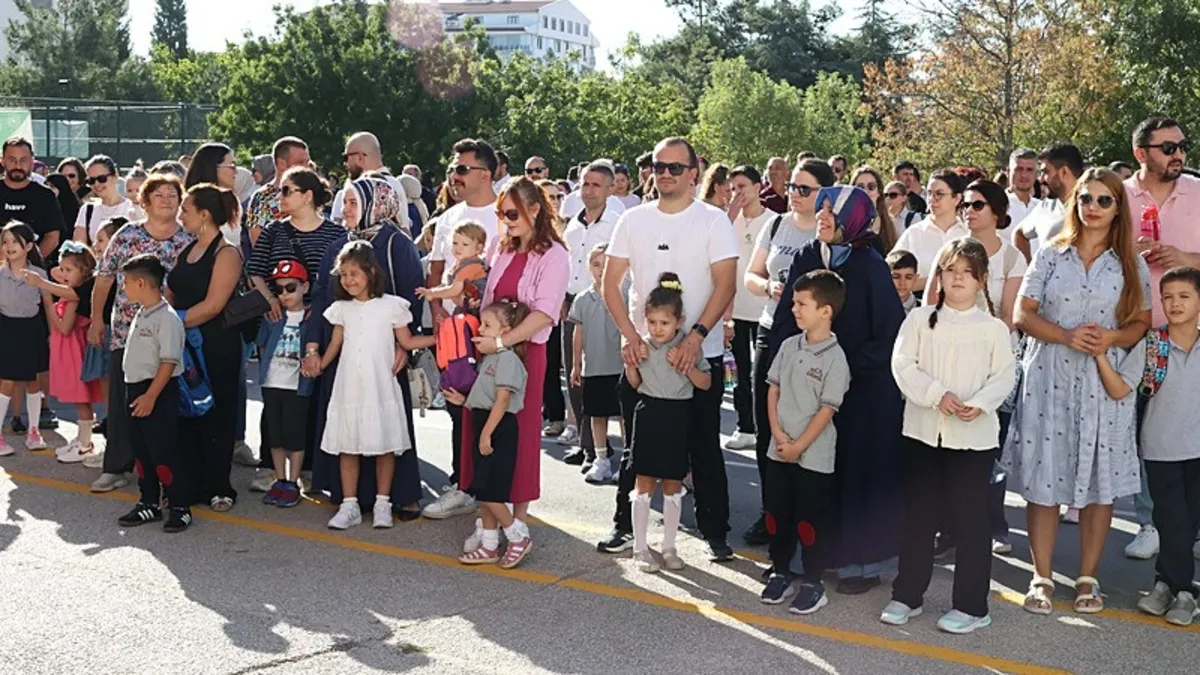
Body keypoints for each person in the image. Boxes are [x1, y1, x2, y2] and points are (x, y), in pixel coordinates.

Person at [1006, 167, 1151, 615]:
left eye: (1104, 200)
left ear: (1117, 207)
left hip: (1102, 383)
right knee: (1044, 479)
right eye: (1085, 198)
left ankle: (1088, 577)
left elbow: (1142, 322)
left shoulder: (1131, 261)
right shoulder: (1051, 254)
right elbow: (1022, 314)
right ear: (1075, 203)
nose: (1092, 207)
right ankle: (1041, 576)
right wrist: (1066, 335)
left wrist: (1110, 339)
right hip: (1050, 376)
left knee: (1098, 482)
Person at [600, 137, 738, 560]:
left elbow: (726, 284)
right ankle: (625, 528)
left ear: (694, 172)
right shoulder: (633, 220)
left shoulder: (714, 221)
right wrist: (629, 334)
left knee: (703, 447)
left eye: (674, 167)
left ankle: (715, 532)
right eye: (659, 166)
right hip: (645, 358)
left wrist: (695, 336)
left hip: (699, 355)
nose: (664, 174)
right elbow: (611, 283)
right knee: (637, 448)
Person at [770, 185, 905, 595]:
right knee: (809, 478)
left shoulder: (872, 265)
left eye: (833, 210)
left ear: (856, 219)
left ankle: (858, 564)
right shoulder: (809, 257)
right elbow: (785, 318)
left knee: (855, 474)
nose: (823, 215)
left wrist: (842, 369)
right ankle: (804, 559)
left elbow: (889, 336)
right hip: (807, 389)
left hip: (862, 395)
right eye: (822, 208)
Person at [884, 238, 1015, 634]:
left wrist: (981, 403)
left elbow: (1005, 375)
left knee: (970, 522)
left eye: (967, 272)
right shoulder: (920, 320)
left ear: (981, 280)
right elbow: (903, 364)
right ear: (939, 275)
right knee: (919, 517)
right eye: (950, 270)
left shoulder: (993, 329)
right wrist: (935, 395)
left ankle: (972, 606)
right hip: (924, 434)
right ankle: (907, 594)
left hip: (973, 440)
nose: (958, 278)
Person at [305, 176, 426, 520]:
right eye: (344, 202)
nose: (344, 210)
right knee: (349, 427)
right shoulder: (337, 246)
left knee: (386, 426)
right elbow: (321, 298)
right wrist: (314, 346)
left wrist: (408, 345)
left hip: (385, 356)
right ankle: (349, 498)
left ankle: (397, 496)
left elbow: (411, 297)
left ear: (378, 203)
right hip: (344, 356)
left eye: (353, 203)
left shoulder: (396, 243)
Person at [458, 177, 569, 551]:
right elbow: (491, 297)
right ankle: (488, 522)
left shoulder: (554, 254)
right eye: (500, 214)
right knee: (482, 429)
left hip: (524, 355)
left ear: (535, 210)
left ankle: (516, 525)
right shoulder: (500, 246)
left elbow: (545, 314)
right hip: (491, 350)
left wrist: (502, 341)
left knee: (517, 437)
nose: (505, 221)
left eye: (511, 213)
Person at [1096, 266, 1200, 626]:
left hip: (1198, 452)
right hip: (1160, 450)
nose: (1174, 303)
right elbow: (1120, 388)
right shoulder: (1152, 345)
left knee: (1188, 523)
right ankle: (1185, 592)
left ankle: (1165, 584)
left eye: (1184, 296)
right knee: (1172, 521)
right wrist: (1099, 355)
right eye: (1167, 297)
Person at [740, 159, 834, 544]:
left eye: (804, 189)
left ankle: (808, 514)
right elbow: (750, 275)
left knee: (812, 423)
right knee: (769, 425)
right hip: (771, 332)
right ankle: (771, 511)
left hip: (815, 343)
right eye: (792, 187)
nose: (794, 195)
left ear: (824, 194)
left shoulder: (829, 230)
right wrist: (768, 289)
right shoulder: (775, 224)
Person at [314, 241, 434, 530]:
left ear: (371, 272)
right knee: (348, 446)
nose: (348, 280)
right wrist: (318, 362)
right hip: (349, 386)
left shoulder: (391, 305)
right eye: (343, 274)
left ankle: (383, 502)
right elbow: (336, 342)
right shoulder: (340, 308)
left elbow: (406, 342)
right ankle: (349, 504)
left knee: (385, 447)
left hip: (381, 384)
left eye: (354, 273)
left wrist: (442, 338)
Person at [1124, 115, 1200, 560]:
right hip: (1138, 329)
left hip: (1191, 333)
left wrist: (1186, 256)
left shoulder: (1197, 191)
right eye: (1167, 147)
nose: (1178, 155)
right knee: (1141, 432)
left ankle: (1189, 524)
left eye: (1182, 146)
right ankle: (1149, 521)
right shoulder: (1119, 195)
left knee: (1190, 429)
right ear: (1141, 153)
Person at [87, 174, 193, 493]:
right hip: (126, 333)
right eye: (158, 194)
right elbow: (104, 279)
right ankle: (117, 466)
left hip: (172, 334)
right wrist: (96, 319)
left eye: (172, 195)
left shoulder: (188, 240)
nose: (165, 200)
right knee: (122, 403)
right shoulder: (126, 235)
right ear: (145, 201)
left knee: (169, 404)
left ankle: (171, 473)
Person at [759, 270, 850, 615]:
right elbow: (773, 389)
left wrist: (799, 446)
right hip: (779, 449)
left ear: (826, 310)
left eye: (802, 304)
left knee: (809, 522)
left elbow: (828, 409)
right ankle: (780, 570)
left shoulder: (834, 358)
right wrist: (779, 436)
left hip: (813, 455)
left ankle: (813, 581)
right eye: (794, 302)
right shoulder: (787, 345)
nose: (794, 309)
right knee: (777, 515)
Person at [423, 138, 503, 520]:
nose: (453, 176)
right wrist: (438, 311)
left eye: (461, 169)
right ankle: (462, 483)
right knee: (457, 405)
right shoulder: (450, 216)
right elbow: (436, 267)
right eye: (452, 169)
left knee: (492, 408)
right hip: (455, 333)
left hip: (494, 334)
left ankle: (490, 488)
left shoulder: (506, 214)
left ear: (485, 174)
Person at [625, 272, 714, 572]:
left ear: (678, 321)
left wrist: (686, 366)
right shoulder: (644, 346)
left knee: (673, 484)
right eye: (652, 322)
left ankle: (670, 547)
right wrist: (631, 366)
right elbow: (636, 384)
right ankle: (639, 548)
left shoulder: (690, 347)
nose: (657, 329)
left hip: (678, 415)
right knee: (644, 482)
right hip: (649, 413)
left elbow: (705, 383)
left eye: (664, 323)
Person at [166, 184, 243, 512]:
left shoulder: (226, 253)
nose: (180, 214)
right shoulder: (187, 249)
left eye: (185, 209)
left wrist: (174, 321)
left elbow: (213, 305)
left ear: (204, 214)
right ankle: (190, 484)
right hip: (182, 343)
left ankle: (219, 485)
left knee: (217, 412)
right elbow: (170, 289)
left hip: (215, 344)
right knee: (185, 412)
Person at [451, 300, 533, 569]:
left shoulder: (507, 358)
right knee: (484, 491)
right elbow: (485, 398)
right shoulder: (491, 358)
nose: (481, 329)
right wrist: (464, 401)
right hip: (484, 423)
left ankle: (516, 536)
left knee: (492, 493)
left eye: (487, 325)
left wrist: (487, 434)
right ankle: (488, 545)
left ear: (506, 330)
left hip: (498, 427)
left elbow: (502, 400)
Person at [112, 254, 191, 532]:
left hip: (156, 391)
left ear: (142, 283)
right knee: (142, 451)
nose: (124, 288)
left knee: (163, 452)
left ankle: (180, 505)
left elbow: (168, 361)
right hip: (135, 388)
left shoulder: (166, 318)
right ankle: (148, 503)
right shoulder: (142, 313)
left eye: (127, 283)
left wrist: (151, 397)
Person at [558, 161, 621, 458]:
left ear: (611, 188)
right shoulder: (573, 224)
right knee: (575, 374)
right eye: (585, 184)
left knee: (606, 378)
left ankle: (607, 447)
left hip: (608, 307)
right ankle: (588, 445)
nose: (589, 190)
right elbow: (567, 266)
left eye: (597, 184)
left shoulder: (619, 222)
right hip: (574, 304)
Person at [19, 241, 102, 462]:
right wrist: (65, 270)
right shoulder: (70, 293)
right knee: (78, 400)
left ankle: (85, 444)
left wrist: (47, 300)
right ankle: (81, 439)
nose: (62, 273)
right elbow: (56, 272)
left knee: (81, 399)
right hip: (69, 351)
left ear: (83, 272)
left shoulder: (74, 299)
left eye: (68, 270)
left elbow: (64, 327)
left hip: (74, 352)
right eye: (62, 269)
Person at [924, 181, 1026, 330]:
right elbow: (930, 304)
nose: (969, 210)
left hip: (996, 341)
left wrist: (980, 342)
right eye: (966, 205)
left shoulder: (1013, 258)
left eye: (977, 205)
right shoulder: (949, 251)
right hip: (949, 338)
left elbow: (1009, 316)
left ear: (996, 212)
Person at [724, 166, 775, 453]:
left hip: (765, 310)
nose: (738, 193)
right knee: (740, 373)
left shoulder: (774, 221)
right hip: (736, 310)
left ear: (758, 187)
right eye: (733, 188)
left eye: (742, 186)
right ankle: (745, 426)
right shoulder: (728, 221)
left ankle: (766, 426)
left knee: (764, 373)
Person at [256, 259, 314, 508]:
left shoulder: (311, 319)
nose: (284, 294)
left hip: (297, 388)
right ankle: (280, 479)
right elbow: (260, 344)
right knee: (276, 437)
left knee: (295, 437)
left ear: (305, 287)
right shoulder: (272, 318)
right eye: (278, 289)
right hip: (272, 384)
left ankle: (293, 481)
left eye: (291, 287)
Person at [246, 166, 343, 315]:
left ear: (307, 196)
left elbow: (341, 279)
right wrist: (271, 299)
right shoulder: (273, 230)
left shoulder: (337, 234)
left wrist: (321, 306)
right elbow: (254, 271)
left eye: (286, 191)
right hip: (280, 320)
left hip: (322, 319)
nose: (279, 197)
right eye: (279, 191)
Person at [568, 243, 624, 484]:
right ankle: (601, 458)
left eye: (606, 264)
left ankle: (628, 460)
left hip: (621, 366)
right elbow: (577, 333)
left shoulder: (624, 294)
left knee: (624, 415)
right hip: (594, 366)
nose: (601, 269)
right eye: (596, 264)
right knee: (596, 415)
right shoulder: (582, 299)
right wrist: (576, 364)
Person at [0, 222, 51, 455]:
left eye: (15, 241)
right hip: (7, 329)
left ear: (29, 246)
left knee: (33, 381)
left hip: (32, 329)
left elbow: (49, 307)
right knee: (6, 382)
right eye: (5, 241)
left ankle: (33, 431)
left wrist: (53, 335)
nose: (9, 246)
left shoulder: (39, 275)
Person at [892, 171, 967, 294]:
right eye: (929, 194)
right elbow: (891, 277)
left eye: (939, 194)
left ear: (956, 198)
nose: (932, 200)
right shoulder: (914, 233)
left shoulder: (967, 235)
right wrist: (936, 280)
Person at [1012, 143, 1083, 261]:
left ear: (1064, 172)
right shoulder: (1045, 207)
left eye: (1046, 172)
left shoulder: (1095, 207)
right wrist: (1031, 270)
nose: (1040, 179)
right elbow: (1019, 235)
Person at [330, 132, 410, 233]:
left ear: (360, 157)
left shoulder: (355, 191)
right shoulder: (395, 185)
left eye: (346, 157)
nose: (345, 164)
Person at [244, 136, 310, 245]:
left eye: (307, 162)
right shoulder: (262, 198)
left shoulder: (310, 193)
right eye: (300, 162)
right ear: (281, 164)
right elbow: (258, 242)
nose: (306, 167)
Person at [74, 155, 142, 245]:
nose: (97, 184)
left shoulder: (133, 208)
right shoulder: (87, 210)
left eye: (102, 179)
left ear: (115, 176)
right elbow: (79, 249)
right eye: (91, 180)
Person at [852, 166, 899, 254]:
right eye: (860, 187)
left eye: (871, 186)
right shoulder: (844, 222)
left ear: (879, 192)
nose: (866, 191)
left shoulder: (890, 223)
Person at [1006, 149, 1042, 231]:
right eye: (1019, 169)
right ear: (1008, 172)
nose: (1024, 175)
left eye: (1029, 170)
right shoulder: (995, 206)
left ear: (1036, 174)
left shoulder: (1042, 208)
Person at [45, 173, 80, 248]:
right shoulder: (43, 207)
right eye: (46, 186)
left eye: (52, 187)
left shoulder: (71, 209)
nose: (48, 189)